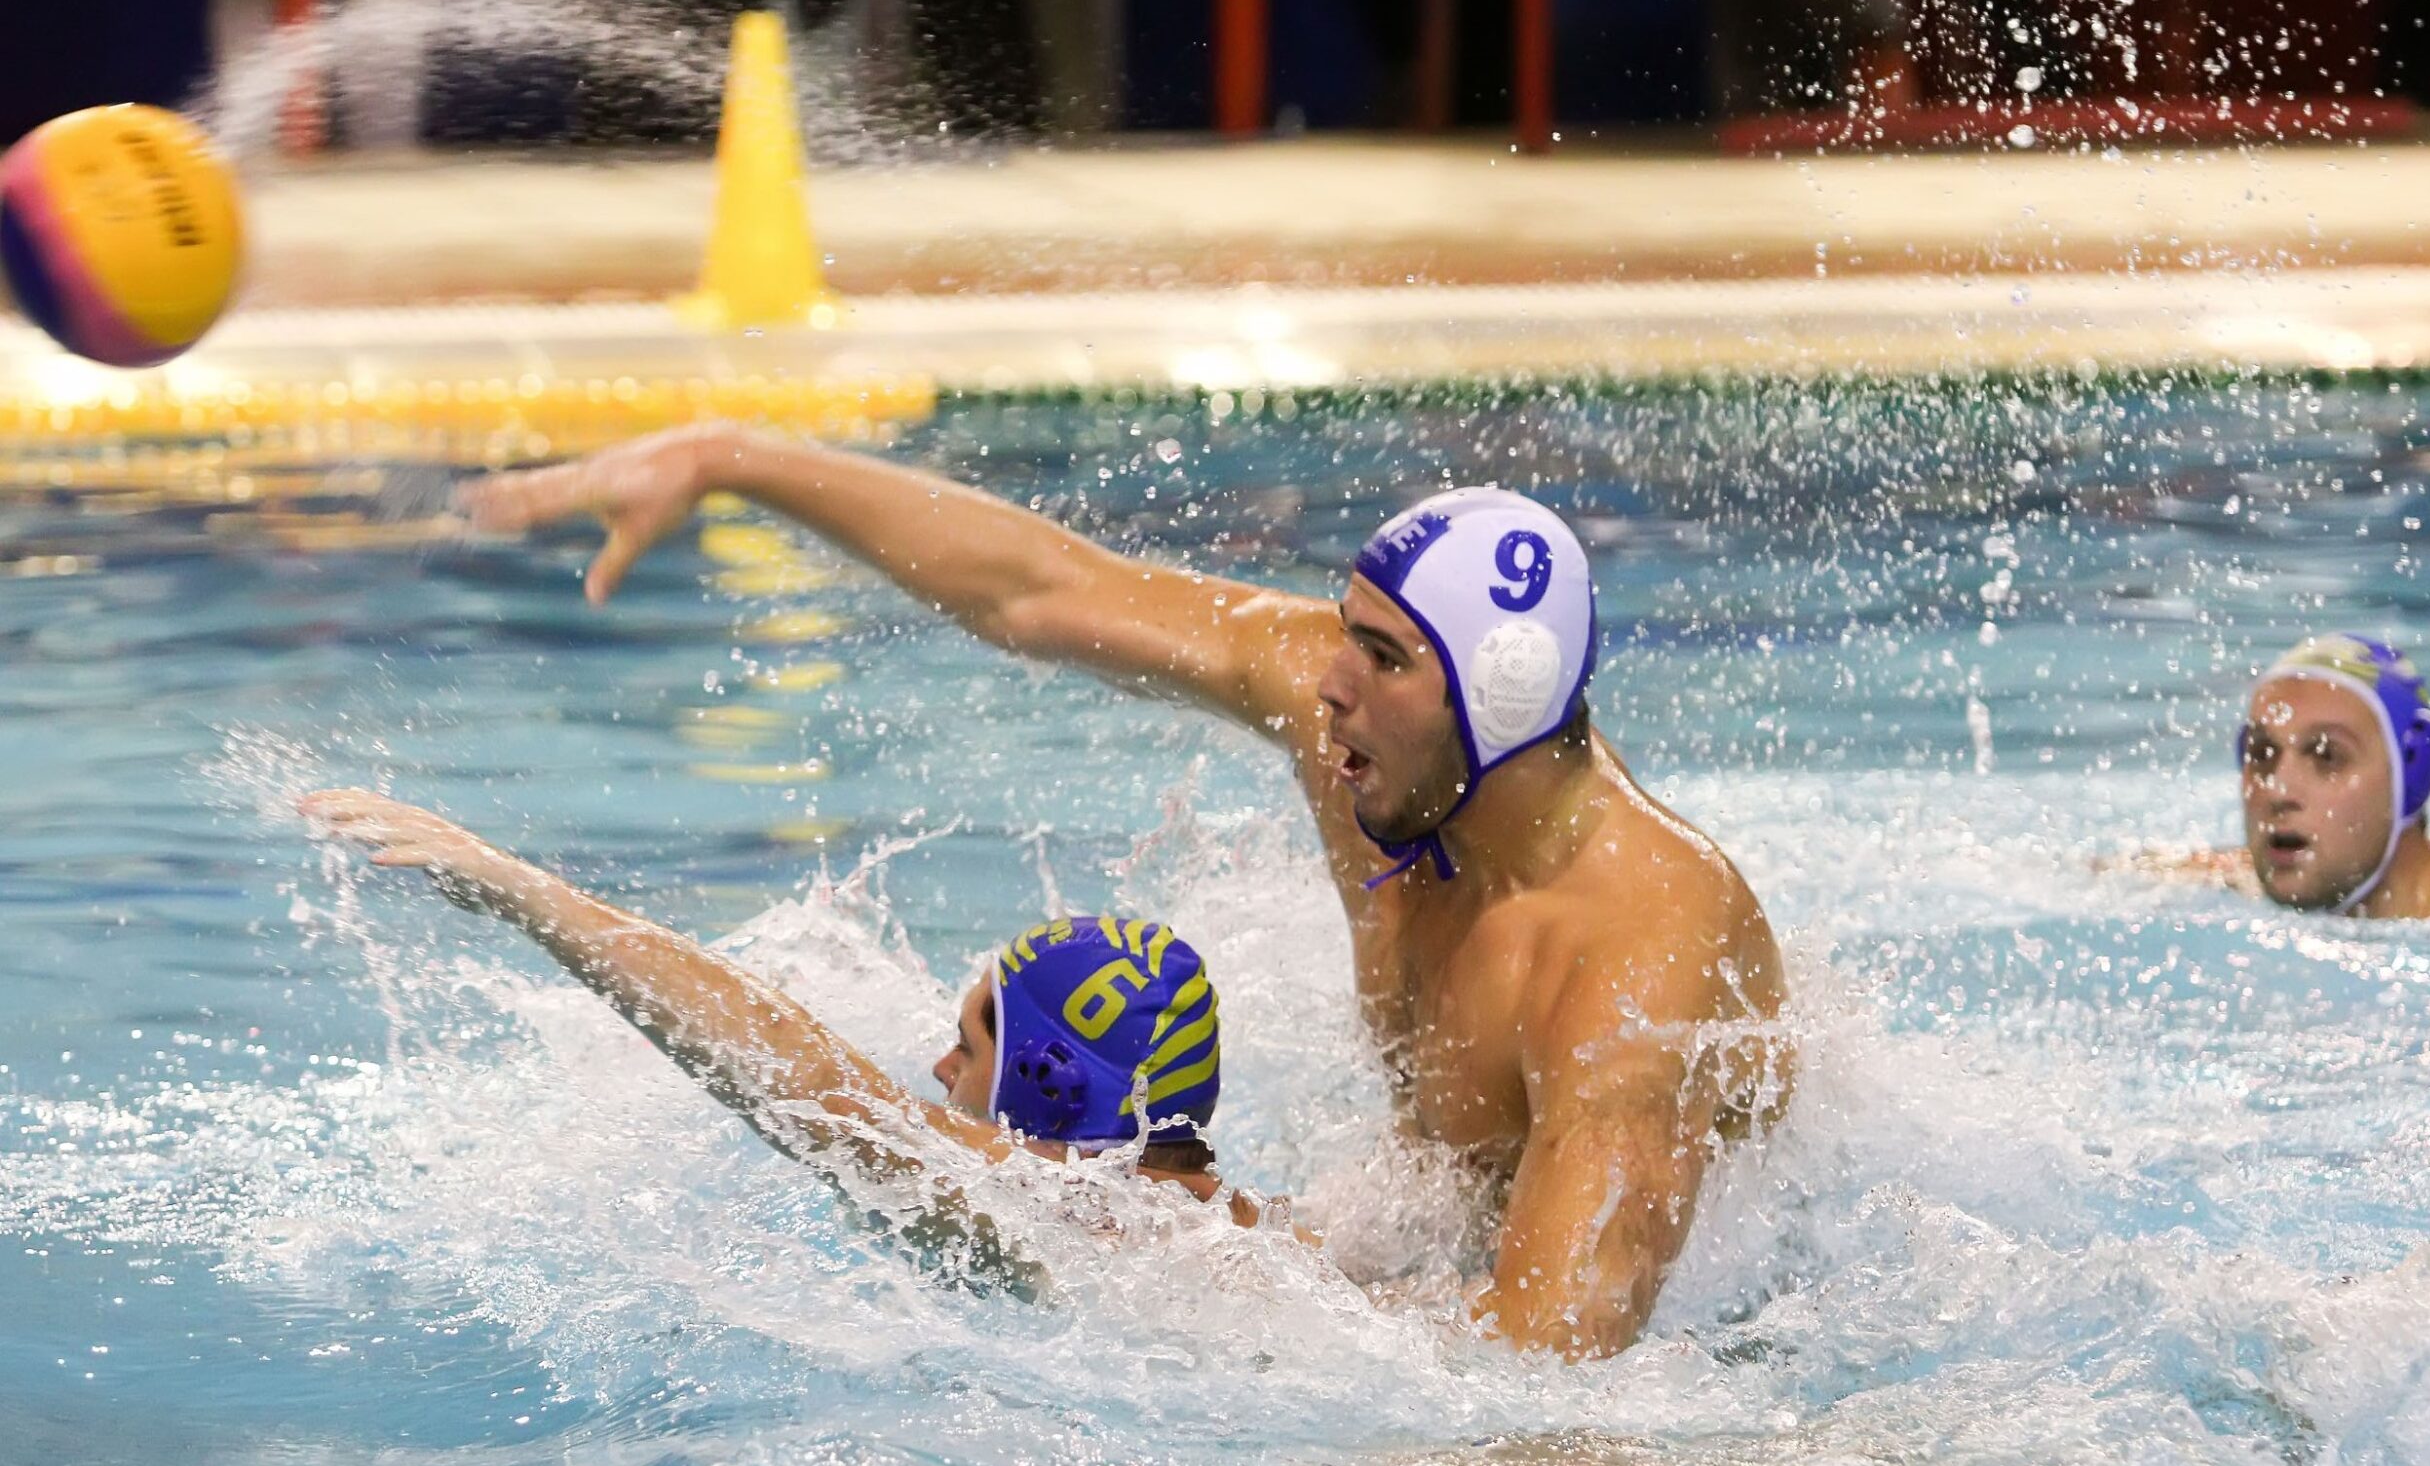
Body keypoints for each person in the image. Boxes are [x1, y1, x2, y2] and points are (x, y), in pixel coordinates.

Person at [461, 426, 1792, 1360]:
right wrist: (734, 459)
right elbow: (1040, 591)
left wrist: (1235, 1307)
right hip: (1433, 1246)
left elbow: (1550, 1380)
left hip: (1706, 1339)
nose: (1327, 684)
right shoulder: (1380, 742)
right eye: (1345, 634)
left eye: (1381, 657)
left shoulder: (1631, 973)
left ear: (1497, 701)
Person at [296, 789, 1271, 1292]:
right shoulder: (1246, 1230)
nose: (941, 1070)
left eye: (972, 1047)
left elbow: (807, 1081)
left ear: (1047, 1083)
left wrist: (525, 894)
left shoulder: (1072, 1222)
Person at [2187, 633, 2430, 927]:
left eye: (2327, 756)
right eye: (2262, 753)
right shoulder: (2222, 882)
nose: (2277, 790)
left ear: (2413, 773)